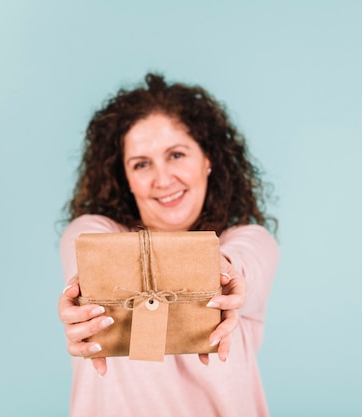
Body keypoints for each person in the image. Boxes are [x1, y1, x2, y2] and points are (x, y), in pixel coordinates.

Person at [57, 72, 279, 417]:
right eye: (141, 164)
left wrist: (224, 273)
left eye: (176, 155)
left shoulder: (252, 242)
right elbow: (86, 259)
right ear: (125, 179)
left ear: (208, 160)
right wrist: (81, 299)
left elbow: (239, 266)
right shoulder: (92, 231)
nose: (162, 179)